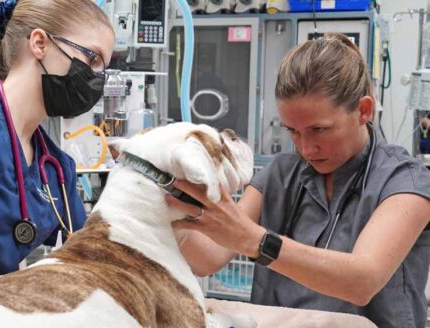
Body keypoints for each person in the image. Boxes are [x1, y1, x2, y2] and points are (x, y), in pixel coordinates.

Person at [167, 33, 430, 328]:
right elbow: (209, 259)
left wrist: (256, 240)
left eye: (319, 130)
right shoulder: (281, 174)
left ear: (363, 110)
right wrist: (168, 204)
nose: (305, 149)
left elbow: (362, 281)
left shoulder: (405, 181)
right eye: (293, 131)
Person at [0, 0, 114, 291]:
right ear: (40, 43)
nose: (97, 78)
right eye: (92, 58)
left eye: (103, 68)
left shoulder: (58, 170)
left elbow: (86, 256)